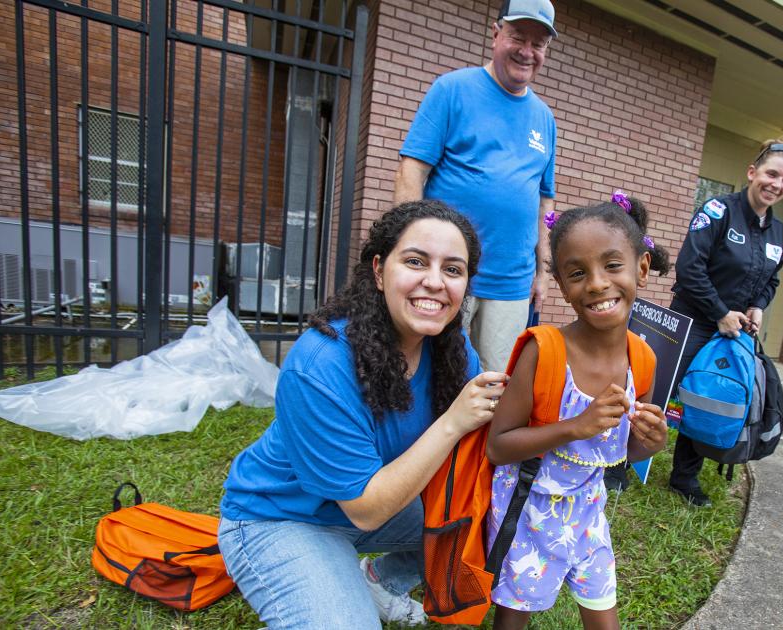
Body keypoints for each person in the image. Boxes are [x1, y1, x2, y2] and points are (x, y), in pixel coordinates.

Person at [217, 201, 509, 629]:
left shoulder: (452, 349)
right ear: (378, 270)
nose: (434, 282)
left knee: (495, 516)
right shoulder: (319, 366)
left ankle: (381, 582)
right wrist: (452, 423)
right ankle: (304, 575)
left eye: (453, 269)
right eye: (415, 262)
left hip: (380, 504)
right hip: (283, 518)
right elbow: (367, 509)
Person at [484, 194, 671, 629]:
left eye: (612, 265)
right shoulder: (543, 350)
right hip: (529, 513)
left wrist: (649, 444)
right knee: (514, 618)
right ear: (562, 285)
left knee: (605, 618)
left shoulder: (641, 359)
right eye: (577, 273)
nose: (597, 284)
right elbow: (498, 446)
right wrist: (574, 426)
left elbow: (623, 451)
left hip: (588, 513)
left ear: (641, 268)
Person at [394, 0, 558, 372]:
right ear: (496, 33)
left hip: (512, 285)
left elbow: (544, 203)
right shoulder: (452, 90)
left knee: (492, 387)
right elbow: (411, 171)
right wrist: (407, 252)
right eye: (518, 37)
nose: (527, 51)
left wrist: (542, 273)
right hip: (447, 277)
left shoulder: (545, 119)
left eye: (539, 44)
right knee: (431, 377)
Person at [668, 137, 783, 507]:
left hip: (733, 330)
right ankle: (618, 464)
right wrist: (719, 312)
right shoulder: (717, 210)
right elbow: (689, 268)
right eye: (771, 174)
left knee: (708, 397)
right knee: (661, 392)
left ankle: (684, 477)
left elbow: (771, 279)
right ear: (752, 172)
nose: (776, 184)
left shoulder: (777, 232)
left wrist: (758, 306)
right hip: (695, 320)